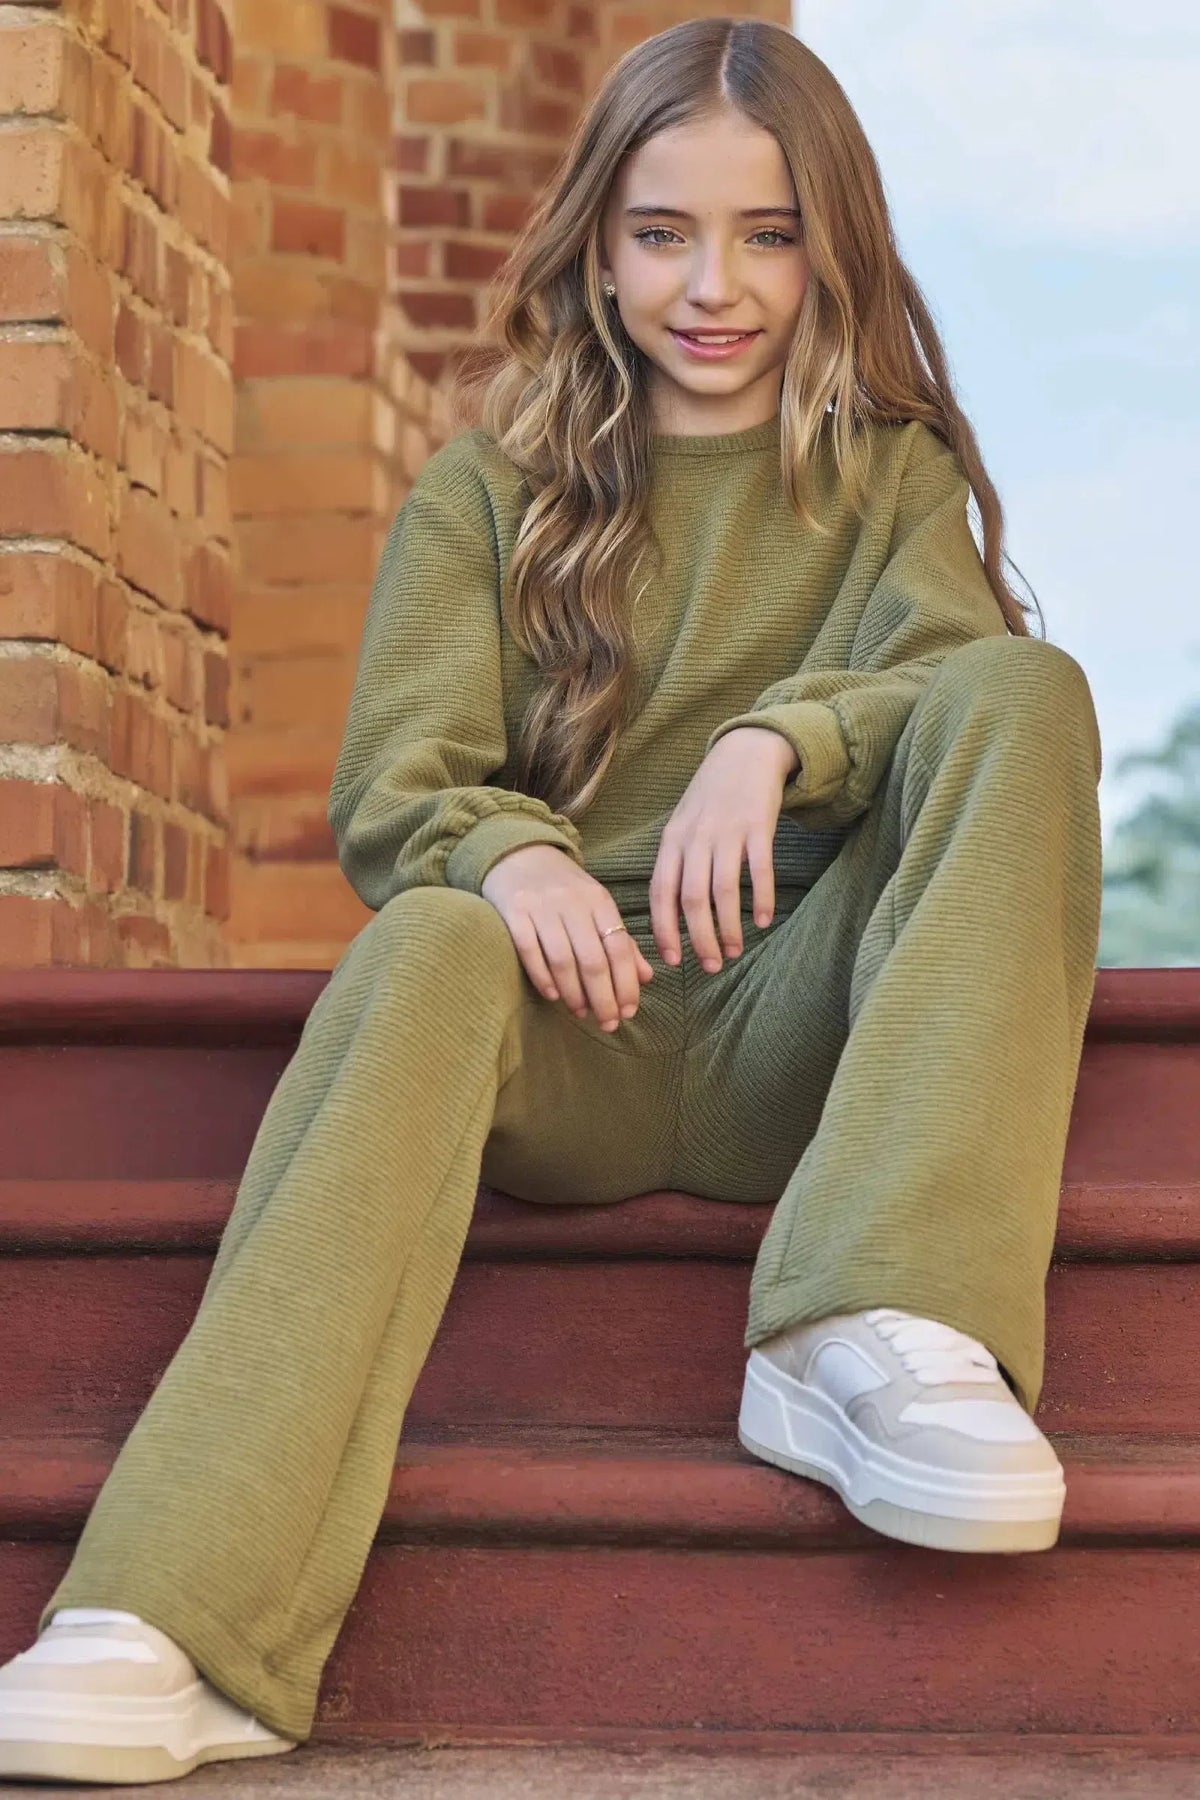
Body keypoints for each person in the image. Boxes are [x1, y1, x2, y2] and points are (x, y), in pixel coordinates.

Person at [0, 15, 1103, 1782]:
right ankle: (170, 1614)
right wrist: (510, 856)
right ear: (597, 247)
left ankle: (875, 1321)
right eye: (663, 233)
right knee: (429, 932)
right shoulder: (486, 493)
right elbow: (398, 784)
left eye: (767, 234)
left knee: (1027, 691)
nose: (713, 287)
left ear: (831, 246)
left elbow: (951, 694)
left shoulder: (887, 476)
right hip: (570, 1035)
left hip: (806, 1033)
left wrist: (777, 739)